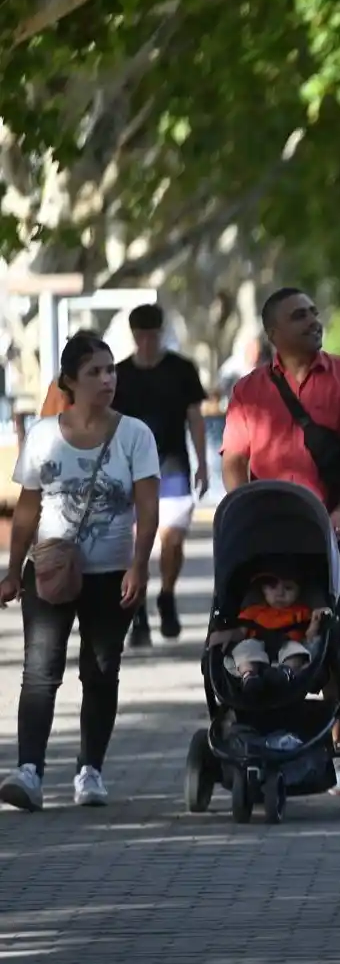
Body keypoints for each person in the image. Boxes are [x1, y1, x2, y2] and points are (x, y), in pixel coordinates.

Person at [220, 287, 340, 794]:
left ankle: (336, 740)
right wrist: (240, 511)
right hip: (268, 535)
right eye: (299, 315)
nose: (313, 320)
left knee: (334, 638)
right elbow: (234, 459)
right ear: (274, 333)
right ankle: (249, 722)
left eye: (314, 312)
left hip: (333, 529)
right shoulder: (249, 390)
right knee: (247, 623)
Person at [0, 332, 160, 811]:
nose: (107, 379)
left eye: (111, 370)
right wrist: (13, 571)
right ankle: (29, 771)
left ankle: (90, 770)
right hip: (49, 572)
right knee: (40, 671)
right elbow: (27, 510)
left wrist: (139, 565)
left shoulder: (135, 434)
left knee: (101, 671)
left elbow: (148, 508)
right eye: (95, 372)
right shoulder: (43, 435)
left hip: (113, 574)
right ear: (69, 381)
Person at [114, 304, 209, 644]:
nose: (147, 342)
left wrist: (203, 463)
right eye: (141, 336)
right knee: (135, 545)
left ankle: (167, 593)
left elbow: (195, 418)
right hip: (130, 472)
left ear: (160, 333)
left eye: (152, 335)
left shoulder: (181, 370)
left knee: (172, 539)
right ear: (133, 336)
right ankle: (137, 608)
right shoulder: (120, 375)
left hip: (173, 467)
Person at [207, 569, 331, 694]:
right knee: (244, 648)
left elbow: (311, 640)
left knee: (297, 650)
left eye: (288, 588)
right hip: (257, 647)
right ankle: (249, 676)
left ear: (299, 591)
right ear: (263, 590)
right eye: (272, 587)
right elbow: (241, 632)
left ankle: (286, 672)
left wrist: (315, 624)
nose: (280, 593)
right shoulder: (254, 611)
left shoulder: (302, 612)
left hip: (288, 647)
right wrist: (225, 635)